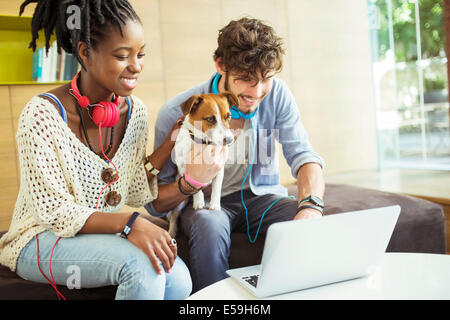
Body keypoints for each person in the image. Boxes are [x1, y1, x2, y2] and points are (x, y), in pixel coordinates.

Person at [0, 0, 192, 300]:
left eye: (140, 54)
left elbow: (129, 189)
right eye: (122, 56)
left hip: (96, 234)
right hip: (39, 238)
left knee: (179, 279)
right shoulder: (41, 116)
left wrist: (170, 143)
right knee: (142, 267)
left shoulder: (135, 112)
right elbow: (55, 211)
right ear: (86, 53)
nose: (136, 66)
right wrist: (130, 223)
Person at [145, 17, 326, 292]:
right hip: (207, 204)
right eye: (245, 80)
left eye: (265, 79)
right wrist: (190, 183)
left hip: (263, 198)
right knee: (209, 224)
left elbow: (304, 156)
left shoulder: (277, 95)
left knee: (305, 215)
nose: (257, 93)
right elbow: (154, 201)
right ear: (220, 65)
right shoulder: (177, 112)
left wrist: (311, 206)